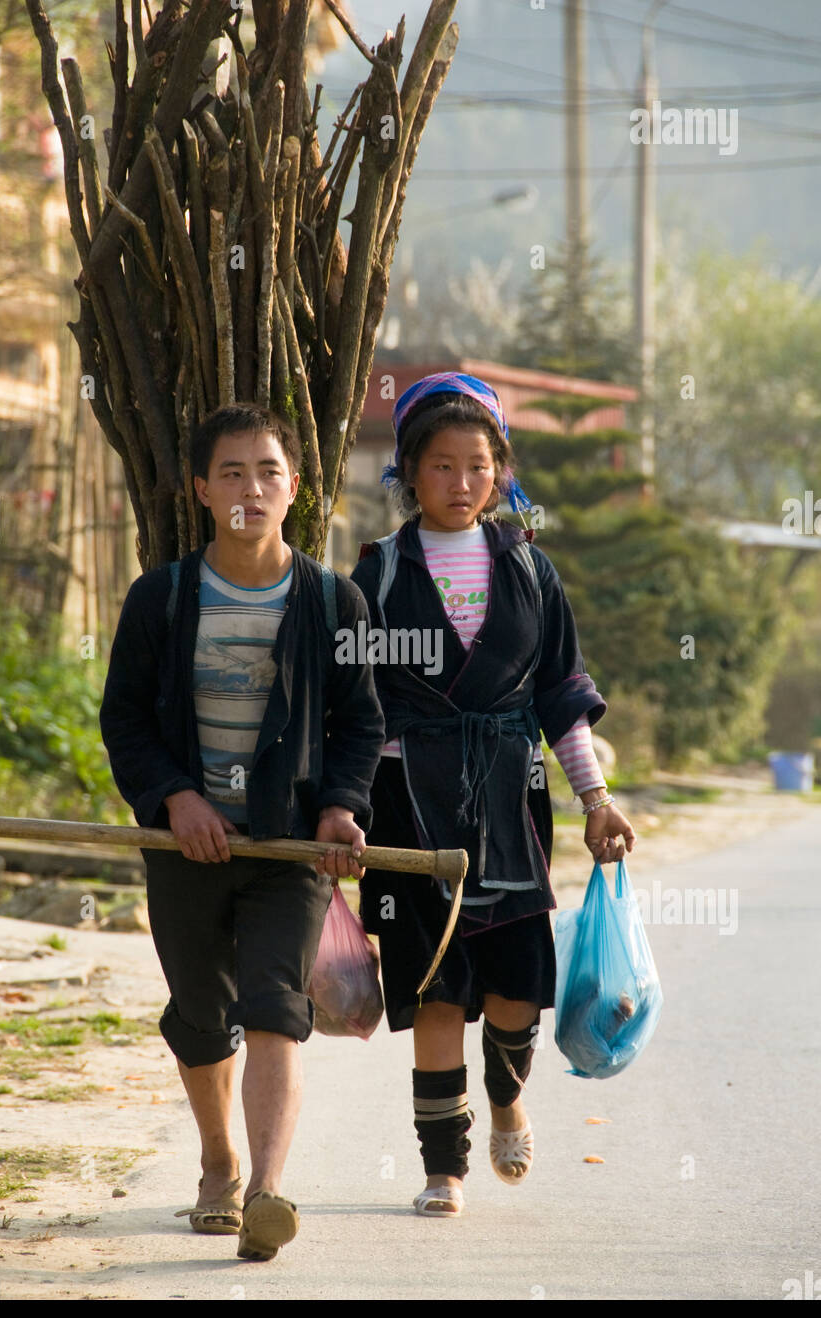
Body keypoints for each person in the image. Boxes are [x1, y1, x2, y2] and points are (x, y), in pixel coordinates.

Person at [99, 403, 385, 1259]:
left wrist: (340, 808)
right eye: (231, 472)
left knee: (274, 1010)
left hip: (288, 847)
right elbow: (124, 721)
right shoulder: (163, 596)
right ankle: (218, 1162)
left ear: (295, 488)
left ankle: (264, 1190)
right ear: (200, 490)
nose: (250, 489)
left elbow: (358, 726)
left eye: (268, 472)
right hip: (185, 844)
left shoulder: (333, 601)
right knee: (199, 1011)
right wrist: (173, 799)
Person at [350, 373, 637, 1217]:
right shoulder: (376, 575)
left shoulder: (529, 572)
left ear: (500, 472)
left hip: (512, 801)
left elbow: (560, 697)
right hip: (407, 805)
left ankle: (508, 1093)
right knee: (434, 988)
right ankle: (444, 1168)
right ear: (407, 471)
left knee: (514, 992)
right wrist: (342, 809)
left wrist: (595, 800)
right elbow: (354, 709)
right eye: (440, 465)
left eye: (478, 465)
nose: (461, 481)